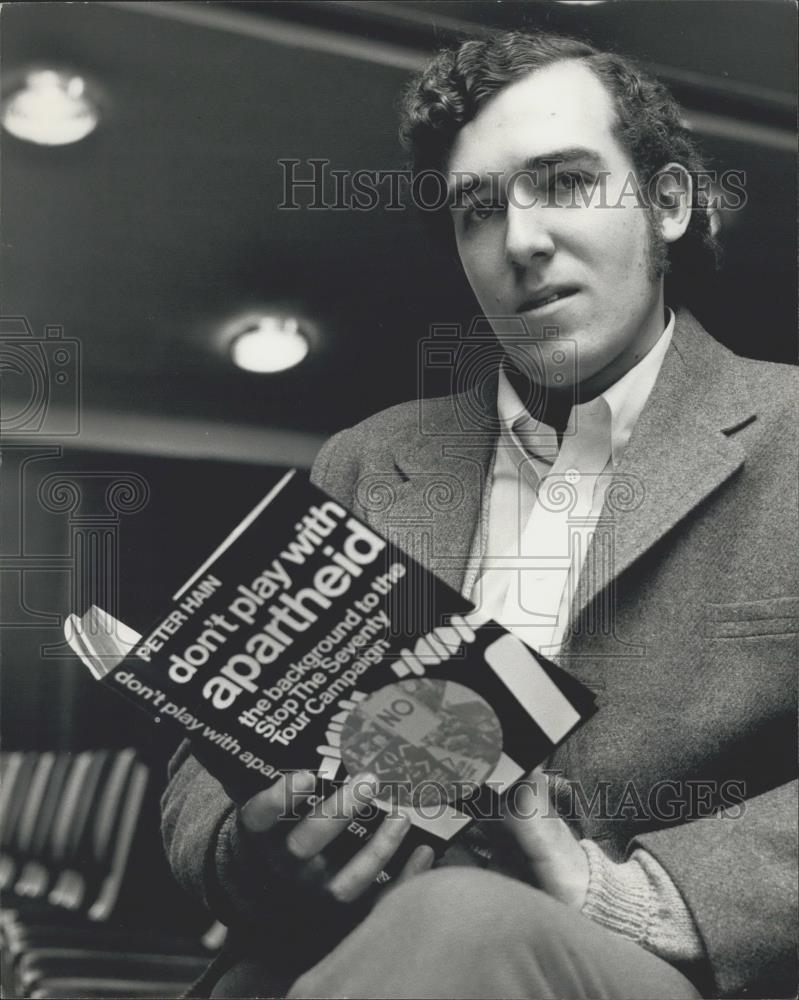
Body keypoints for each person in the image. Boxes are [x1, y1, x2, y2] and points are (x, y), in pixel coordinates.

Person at [161, 30, 798, 999]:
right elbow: (202, 759)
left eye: (567, 182)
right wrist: (248, 847)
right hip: (343, 955)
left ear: (667, 204)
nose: (520, 241)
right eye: (478, 209)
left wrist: (623, 893)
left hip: (660, 972)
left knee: (456, 918)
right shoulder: (369, 459)